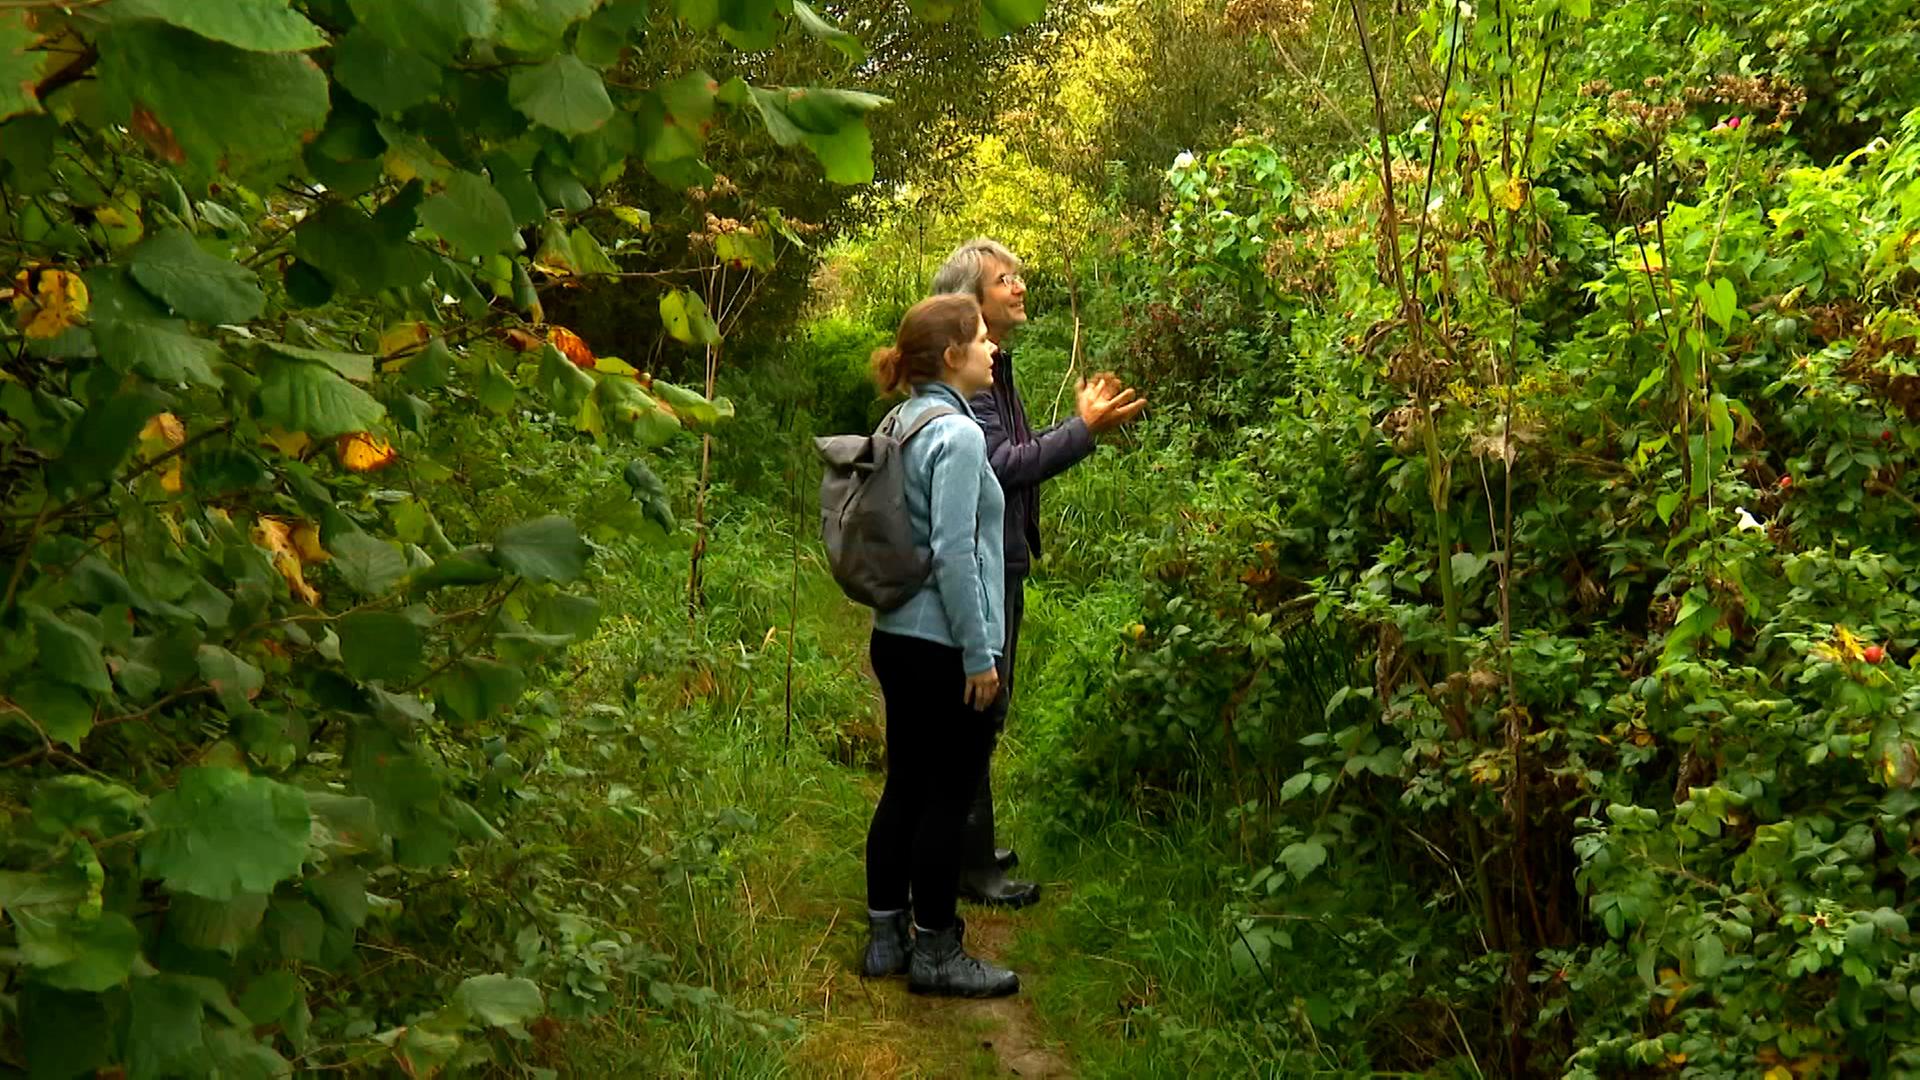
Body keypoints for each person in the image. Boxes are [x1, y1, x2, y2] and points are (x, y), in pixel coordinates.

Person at [931, 239, 1147, 907]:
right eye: (1005, 279)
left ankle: (969, 849)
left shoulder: (996, 367)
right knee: (978, 709)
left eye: (1018, 276)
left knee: (984, 711)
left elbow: (1013, 451)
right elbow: (1004, 464)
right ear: (972, 303)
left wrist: (1078, 425)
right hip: (985, 561)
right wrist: (1082, 430)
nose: (1019, 287)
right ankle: (968, 869)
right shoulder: (974, 380)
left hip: (1001, 559)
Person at [860, 293, 1021, 998]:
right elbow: (957, 554)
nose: (992, 349)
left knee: (904, 787)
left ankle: (884, 935)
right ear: (952, 356)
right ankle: (936, 951)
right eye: (982, 339)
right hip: (942, 647)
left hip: (896, 636)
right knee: (946, 798)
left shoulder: (902, 420)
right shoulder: (958, 437)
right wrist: (980, 653)